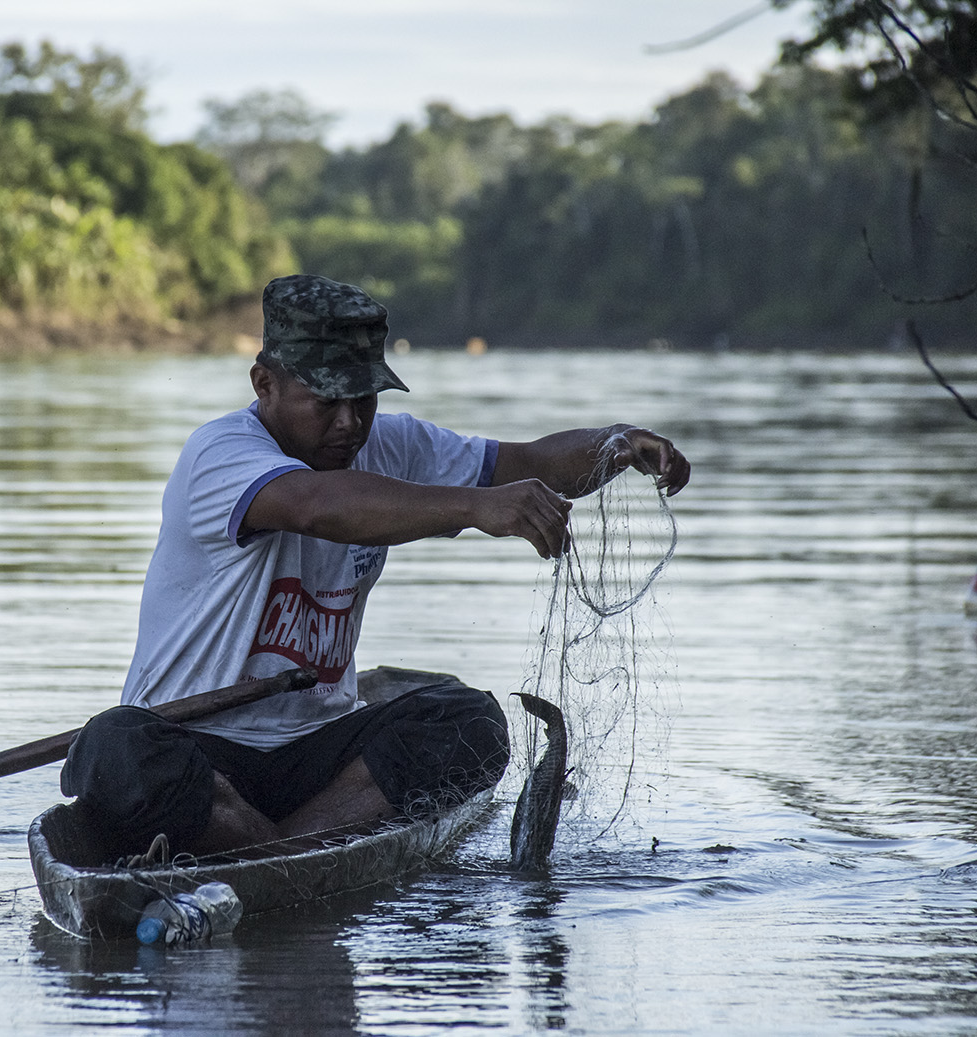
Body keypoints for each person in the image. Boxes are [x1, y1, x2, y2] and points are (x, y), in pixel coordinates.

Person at [60, 274, 690, 860]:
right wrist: (474, 506)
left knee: (470, 724)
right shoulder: (220, 452)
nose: (348, 424)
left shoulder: (385, 443)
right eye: (326, 402)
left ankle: (279, 853)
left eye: (363, 401)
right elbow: (314, 506)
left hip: (318, 761)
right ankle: (282, 852)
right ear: (264, 384)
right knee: (113, 747)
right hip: (200, 749)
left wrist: (616, 444)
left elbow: (526, 462)